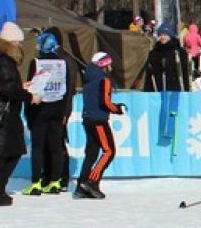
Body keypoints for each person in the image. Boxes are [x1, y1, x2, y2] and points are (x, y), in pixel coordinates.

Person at [0, 22, 38, 206]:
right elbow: (7, 90)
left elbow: (3, 85)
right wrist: (30, 97)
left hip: (0, 114)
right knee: (2, 156)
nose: (20, 46)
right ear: (11, 42)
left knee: (6, 154)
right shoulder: (4, 60)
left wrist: (20, 86)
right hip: (2, 116)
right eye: (19, 42)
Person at [22, 28, 78, 195]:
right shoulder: (64, 63)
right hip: (58, 108)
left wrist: (28, 112)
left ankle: (36, 182)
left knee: (38, 146)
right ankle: (55, 181)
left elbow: (32, 87)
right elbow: (68, 88)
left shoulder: (37, 63)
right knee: (56, 146)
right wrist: (65, 111)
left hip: (41, 108)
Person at [76, 52, 125, 199]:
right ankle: (92, 182)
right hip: (98, 120)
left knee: (91, 153)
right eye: (109, 63)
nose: (110, 66)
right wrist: (117, 109)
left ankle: (81, 185)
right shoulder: (104, 79)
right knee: (109, 151)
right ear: (104, 64)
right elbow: (105, 102)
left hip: (88, 118)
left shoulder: (88, 78)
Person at [144, 23, 192, 92]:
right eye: (161, 35)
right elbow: (150, 74)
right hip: (158, 89)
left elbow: (185, 72)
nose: (163, 37)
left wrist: (186, 89)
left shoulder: (179, 52)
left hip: (176, 89)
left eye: (165, 35)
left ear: (170, 36)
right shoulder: (154, 53)